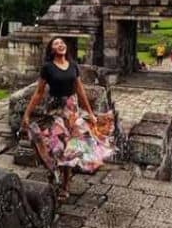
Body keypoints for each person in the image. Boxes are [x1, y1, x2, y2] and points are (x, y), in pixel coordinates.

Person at [21, 37, 115, 202]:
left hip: (71, 111)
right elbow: (38, 92)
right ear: (51, 50)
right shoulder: (47, 68)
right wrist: (27, 114)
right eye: (56, 43)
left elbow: (80, 90)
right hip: (54, 112)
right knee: (49, 145)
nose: (60, 45)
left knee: (68, 149)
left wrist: (90, 112)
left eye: (62, 43)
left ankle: (65, 184)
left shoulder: (73, 66)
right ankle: (53, 171)